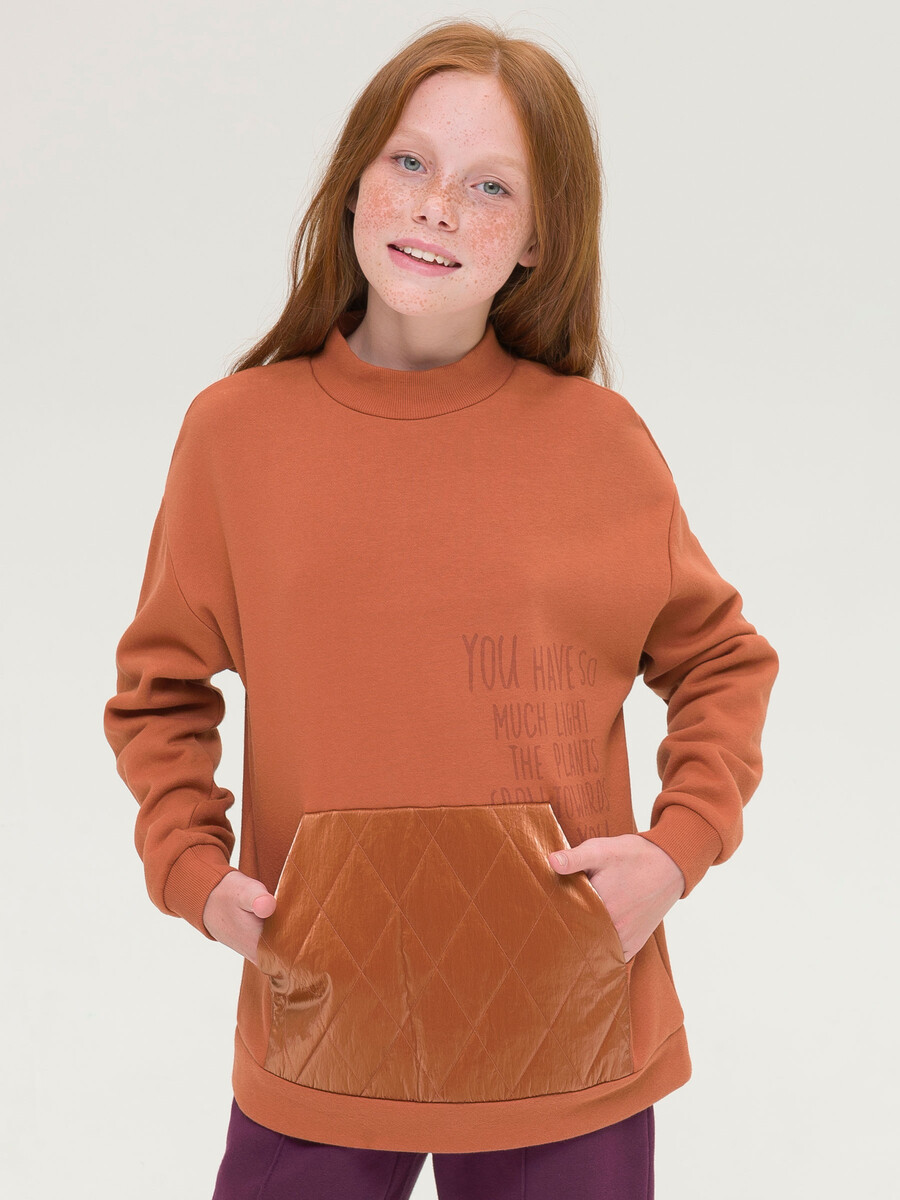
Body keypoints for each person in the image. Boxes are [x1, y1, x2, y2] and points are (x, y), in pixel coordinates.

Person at [102, 17, 779, 1200]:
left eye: (489, 186)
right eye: (410, 162)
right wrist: (192, 870)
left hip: (563, 1033)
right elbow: (159, 691)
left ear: (539, 238)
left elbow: (722, 662)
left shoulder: (596, 442)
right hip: (322, 1019)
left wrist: (676, 855)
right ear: (355, 178)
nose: (436, 207)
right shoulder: (236, 437)